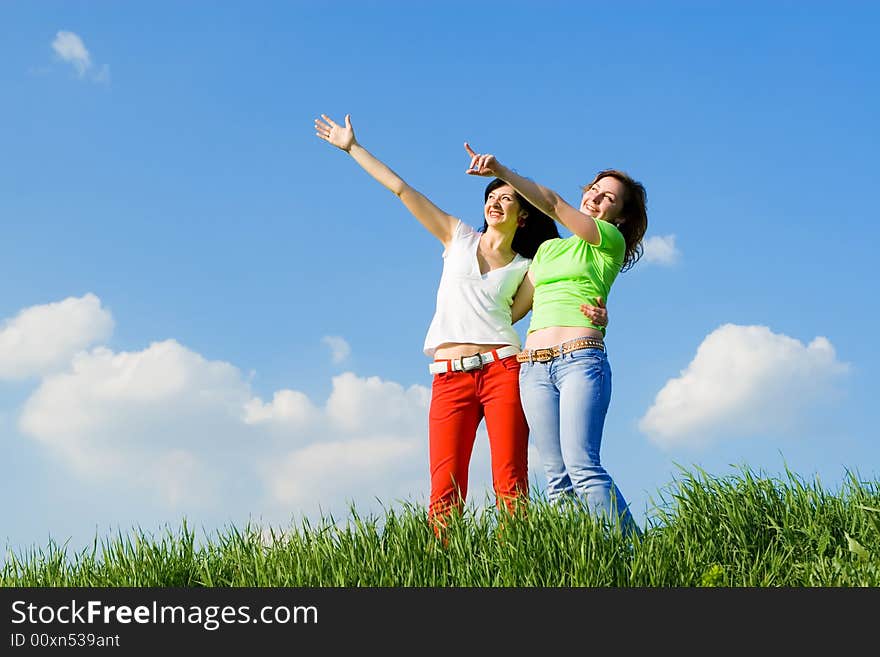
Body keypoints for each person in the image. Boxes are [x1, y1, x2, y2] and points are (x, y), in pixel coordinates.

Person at [313, 113, 607, 532]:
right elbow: (401, 190)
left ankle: (518, 564)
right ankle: (442, 567)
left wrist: (599, 314)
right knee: (445, 489)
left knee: (511, 483)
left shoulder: (529, 266)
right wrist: (352, 147)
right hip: (449, 378)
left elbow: (559, 296)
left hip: (504, 370)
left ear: (523, 215)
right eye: (492, 196)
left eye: (508, 198)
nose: (496, 201)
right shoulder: (457, 236)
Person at [464, 143, 647, 535]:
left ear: (620, 214)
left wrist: (502, 170)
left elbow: (552, 203)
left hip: (580, 360)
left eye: (608, 197)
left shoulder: (607, 241)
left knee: (583, 466)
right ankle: (576, 564)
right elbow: (513, 309)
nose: (595, 198)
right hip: (533, 368)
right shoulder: (548, 251)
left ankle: (637, 554)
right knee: (556, 478)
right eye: (594, 190)